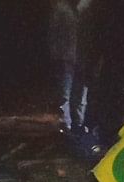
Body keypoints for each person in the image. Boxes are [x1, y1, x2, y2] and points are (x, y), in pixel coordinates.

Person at [48, 0, 96, 134]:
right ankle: (67, 124)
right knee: (66, 93)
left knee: (81, 93)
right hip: (66, 56)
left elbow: (92, 31)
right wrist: (55, 54)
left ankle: (79, 124)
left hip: (82, 56)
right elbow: (54, 32)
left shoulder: (86, 6)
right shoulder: (61, 8)